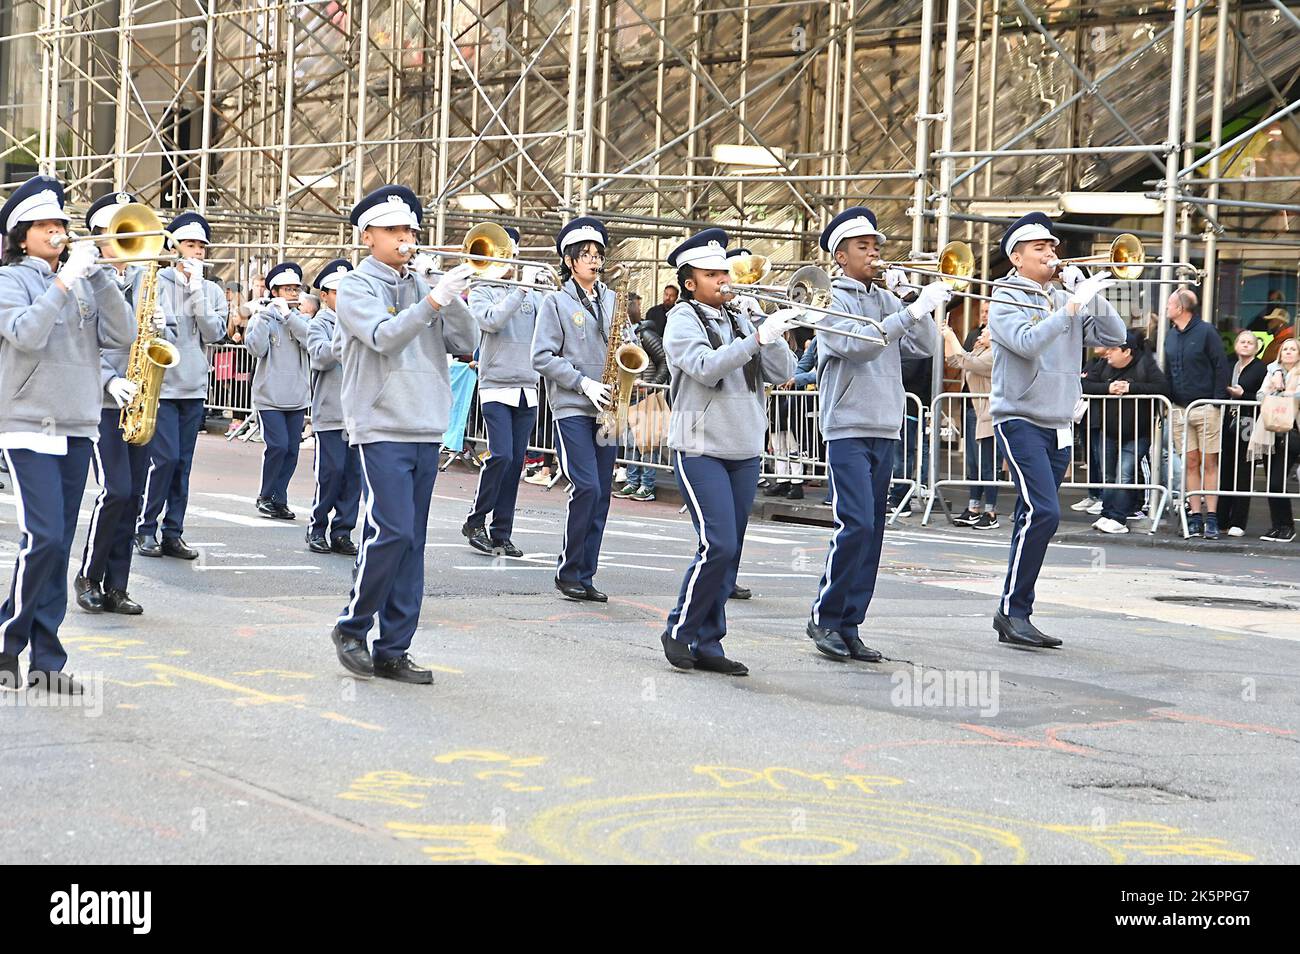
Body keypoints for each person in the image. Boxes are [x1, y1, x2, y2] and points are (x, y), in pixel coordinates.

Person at [329, 184, 476, 684]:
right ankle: (352, 627)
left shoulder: (422, 283)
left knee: (412, 540)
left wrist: (452, 298)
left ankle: (394, 647)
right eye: (394, 230)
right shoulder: (355, 286)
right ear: (367, 235)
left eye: (410, 230)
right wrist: (434, 299)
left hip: (426, 422)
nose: (405, 238)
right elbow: (383, 338)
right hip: (380, 423)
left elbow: (467, 342)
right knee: (388, 530)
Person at [0, 174, 134, 694]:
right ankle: (9, 645)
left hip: (77, 423)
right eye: (45, 224)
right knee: (45, 538)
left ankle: (47, 660)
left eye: (60, 222)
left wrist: (99, 277)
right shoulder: (10, 279)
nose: (57, 231)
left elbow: (122, 336)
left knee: (58, 546)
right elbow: (27, 335)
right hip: (26, 423)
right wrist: (61, 282)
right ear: (22, 234)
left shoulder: (83, 279)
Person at [805, 206, 949, 662]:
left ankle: (851, 623)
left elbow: (925, 347)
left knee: (875, 531)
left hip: (884, 424)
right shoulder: (829, 298)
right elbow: (855, 344)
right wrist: (908, 315)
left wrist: (915, 304)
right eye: (863, 247)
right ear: (841, 257)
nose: (874, 254)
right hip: (847, 424)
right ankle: (825, 617)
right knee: (856, 524)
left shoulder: (887, 299)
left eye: (876, 247)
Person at [658, 228, 796, 675]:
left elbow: (782, 373)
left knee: (730, 550)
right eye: (711, 273)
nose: (723, 279)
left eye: (724, 271)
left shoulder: (739, 317)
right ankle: (680, 630)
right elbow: (703, 367)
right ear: (689, 280)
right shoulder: (683, 318)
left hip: (743, 443)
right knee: (715, 544)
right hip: (699, 444)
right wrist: (754, 340)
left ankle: (709, 641)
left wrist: (771, 334)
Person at [988, 212, 1126, 649]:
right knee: (1045, 511)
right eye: (1040, 248)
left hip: (1060, 420)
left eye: (1053, 246)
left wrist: (1091, 296)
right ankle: (1014, 611)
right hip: (1020, 416)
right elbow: (1027, 342)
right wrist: (1068, 308)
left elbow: (1115, 335)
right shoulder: (1005, 296)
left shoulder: (1065, 294)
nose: (1051, 254)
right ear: (1017, 256)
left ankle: (1014, 612)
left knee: (1034, 516)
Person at [531, 216, 622, 603]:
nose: (594, 260)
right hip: (572, 405)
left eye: (598, 253)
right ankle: (568, 570)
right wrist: (582, 382)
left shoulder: (614, 299)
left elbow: (625, 344)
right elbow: (541, 356)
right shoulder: (556, 301)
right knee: (586, 486)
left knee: (602, 493)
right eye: (585, 254)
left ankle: (586, 574)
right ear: (569, 260)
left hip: (609, 408)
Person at [74, 190, 154, 615]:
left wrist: (161, 329)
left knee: (134, 495)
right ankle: (88, 574)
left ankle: (117, 586)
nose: (120, 240)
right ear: (97, 237)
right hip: (102, 402)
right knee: (115, 490)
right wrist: (109, 380)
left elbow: (171, 334)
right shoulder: (82, 281)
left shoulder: (148, 277)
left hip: (140, 397)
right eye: (112, 231)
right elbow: (80, 342)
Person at [133, 210, 228, 558]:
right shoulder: (154, 282)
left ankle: (173, 531)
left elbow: (215, 333)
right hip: (161, 386)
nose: (197, 252)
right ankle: (145, 528)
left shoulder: (212, 290)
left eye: (202, 246)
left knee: (183, 464)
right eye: (190, 245)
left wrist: (198, 291)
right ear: (175, 248)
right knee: (166, 459)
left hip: (194, 387)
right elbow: (151, 329)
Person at [463, 226, 543, 556]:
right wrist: (520, 291)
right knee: (502, 455)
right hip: (496, 384)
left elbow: (548, 330)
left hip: (527, 385)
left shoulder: (530, 293)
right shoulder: (481, 289)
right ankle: (476, 519)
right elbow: (491, 321)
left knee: (515, 463)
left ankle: (502, 531)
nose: (508, 259)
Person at [1081, 331, 1169, 534]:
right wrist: (1108, 388)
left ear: (1127, 351)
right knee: (1108, 474)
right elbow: (1085, 385)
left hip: (1138, 432)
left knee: (1125, 474)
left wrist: (1131, 388)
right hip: (1109, 430)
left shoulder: (1145, 364)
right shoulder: (1103, 365)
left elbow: (1163, 388)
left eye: (1113, 349)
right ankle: (1107, 513)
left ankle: (1119, 518)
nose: (1108, 354)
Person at [245, 261, 312, 519]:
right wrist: (263, 316)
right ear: (274, 292)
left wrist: (289, 316)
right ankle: (265, 495)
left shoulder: (301, 319)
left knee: (292, 450)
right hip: (269, 397)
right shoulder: (261, 318)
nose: (293, 294)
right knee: (278, 446)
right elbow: (256, 349)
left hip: (296, 397)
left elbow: (310, 340)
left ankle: (279, 498)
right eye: (287, 289)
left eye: (296, 289)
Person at [304, 259, 361, 555]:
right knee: (331, 472)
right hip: (331, 412)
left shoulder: (362, 320)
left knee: (354, 477)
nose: (344, 299)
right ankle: (317, 527)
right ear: (324, 296)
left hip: (359, 413)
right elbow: (320, 356)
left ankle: (343, 530)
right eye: (337, 293)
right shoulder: (319, 324)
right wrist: (345, 332)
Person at [1164, 286, 1229, 539]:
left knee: (1210, 461)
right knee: (1190, 463)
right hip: (1180, 409)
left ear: (1180, 308)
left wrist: (1216, 402)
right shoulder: (1171, 335)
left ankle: (1211, 516)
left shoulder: (1206, 332)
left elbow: (1220, 365)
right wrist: (1168, 402)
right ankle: (1194, 515)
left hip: (1205, 406)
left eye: (1170, 304)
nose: (1167, 308)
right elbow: (1169, 369)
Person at [942, 320, 1001, 528]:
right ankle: (974, 508)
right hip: (976, 411)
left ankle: (991, 512)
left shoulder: (995, 355)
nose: (981, 333)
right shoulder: (980, 350)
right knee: (974, 464)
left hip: (990, 413)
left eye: (986, 331)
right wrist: (947, 336)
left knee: (989, 465)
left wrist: (951, 337)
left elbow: (968, 362)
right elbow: (956, 361)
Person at [614, 300, 670, 502]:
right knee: (630, 443)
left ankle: (647, 485)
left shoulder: (646, 335)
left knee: (647, 444)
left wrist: (652, 384)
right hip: (630, 395)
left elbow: (664, 360)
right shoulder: (623, 336)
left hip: (646, 394)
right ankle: (632, 481)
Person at [1217, 330, 1268, 537]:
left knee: (1244, 471)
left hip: (1249, 422)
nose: (1246, 345)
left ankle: (1238, 521)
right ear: (1236, 345)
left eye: (1250, 342)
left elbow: (1263, 395)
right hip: (1228, 421)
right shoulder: (1231, 365)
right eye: (1242, 341)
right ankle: (1221, 519)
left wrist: (1242, 395)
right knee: (1226, 469)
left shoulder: (1260, 368)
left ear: (1256, 348)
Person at [1254, 338, 1300, 543]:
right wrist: (1273, 390)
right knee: (1272, 482)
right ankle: (1277, 525)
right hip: (1271, 432)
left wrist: (1288, 393)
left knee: (1276, 480)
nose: (1289, 352)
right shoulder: (1272, 372)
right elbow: (1260, 395)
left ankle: (1287, 526)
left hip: (1294, 432)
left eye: (1293, 349)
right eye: (1285, 349)